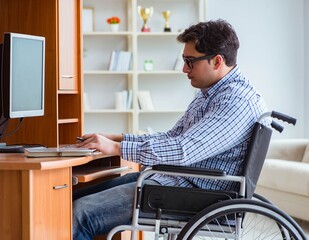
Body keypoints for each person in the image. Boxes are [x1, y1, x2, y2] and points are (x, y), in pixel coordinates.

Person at [73, 19, 268, 239]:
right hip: (177, 182)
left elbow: (182, 150)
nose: (184, 68)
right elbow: (172, 137)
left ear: (217, 61)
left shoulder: (236, 100)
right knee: (73, 196)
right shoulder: (211, 93)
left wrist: (117, 148)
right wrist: (117, 137)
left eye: (190, 61)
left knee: (80, 213)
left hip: (195, 193)